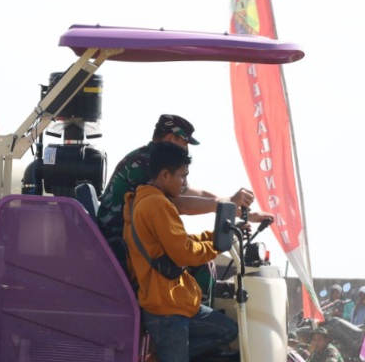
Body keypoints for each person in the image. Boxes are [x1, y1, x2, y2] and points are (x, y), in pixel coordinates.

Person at [124, 141, 241, 362]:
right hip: (166, 307)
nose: (184, 183)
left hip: (175, 302)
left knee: (225, 330)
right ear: (165, 175)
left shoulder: (150, 201)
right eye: (181, 176)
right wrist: (218, 246)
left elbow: (180, 243)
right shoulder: (156, 204)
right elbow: (185, 253)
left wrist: (215, 238)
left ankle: (162, 357)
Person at [96, 114, 267, 273]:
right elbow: (177, 205)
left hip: (135, 239)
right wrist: (227, 203)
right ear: (170, 138)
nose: (186, 150)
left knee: (200, 260)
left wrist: (238, 209)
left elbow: (193, 192)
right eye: (184, 143)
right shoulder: (145, 162)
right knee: (200, 266)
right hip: (119, 242)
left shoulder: (155, 160)